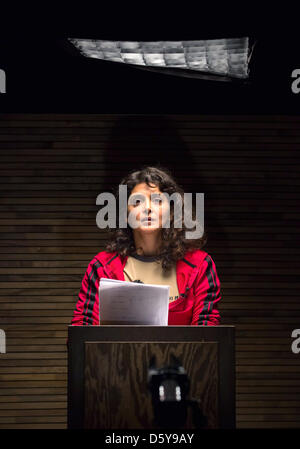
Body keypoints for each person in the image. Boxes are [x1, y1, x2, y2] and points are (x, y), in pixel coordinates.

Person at [70, 166, 221, 326]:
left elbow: (207, 335)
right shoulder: (101, 267)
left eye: (157, 201)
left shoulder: (200, 265)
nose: (147, 208)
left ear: (171, 212)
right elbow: (82, 331)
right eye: (137, 202)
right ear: (125, 214)